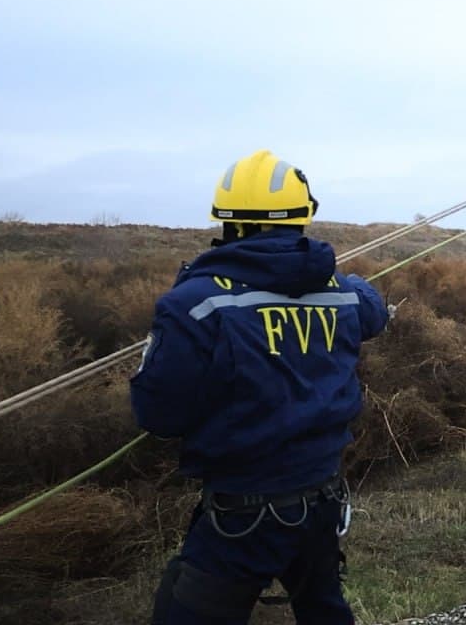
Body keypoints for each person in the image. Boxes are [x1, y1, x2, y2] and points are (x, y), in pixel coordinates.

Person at [132, 150, 388, 624]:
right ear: (302, 221)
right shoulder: (343, 293)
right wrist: (332, 277)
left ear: (227, 223)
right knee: (324, 611)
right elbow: (373, 307)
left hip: (242, 516)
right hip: (322, 501)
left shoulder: (194, 304)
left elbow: (158, 416)